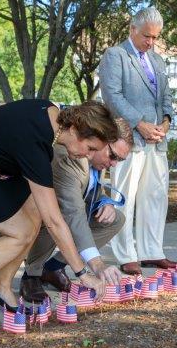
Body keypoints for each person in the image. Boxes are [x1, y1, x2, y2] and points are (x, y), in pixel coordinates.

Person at [0, 99, 118, 322]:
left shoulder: (51, 115)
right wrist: (83, 274)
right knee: (21, 232)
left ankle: (2, 287)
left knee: (35, 208)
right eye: (90, 147)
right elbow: (54, 222)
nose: (89, 155)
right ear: (74, 129)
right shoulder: (36, 140)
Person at [98, 7, 177, 275]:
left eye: (156, 37)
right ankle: (125, 254)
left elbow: (166, 98)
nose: (151, 42)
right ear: (133, 29)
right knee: (126, 196)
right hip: (128, 140)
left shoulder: (157, 61)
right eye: (147, 36)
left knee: (155, 197)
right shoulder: (115, 56)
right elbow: (113, 96)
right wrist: (139, 125)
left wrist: (166, 122)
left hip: (157, 141)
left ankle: (152, 251)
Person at [20, 119, 134, 301]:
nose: (114, 164)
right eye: (113, 156)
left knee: (116, 218)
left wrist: (106, 202)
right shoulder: (70, 158)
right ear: (101, 141)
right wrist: (96, 265)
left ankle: (53, 268)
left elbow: (92, 191)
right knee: (58, 218)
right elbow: (73, 212)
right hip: (25, 210)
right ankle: (32, 274)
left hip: (64, 210)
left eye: (119, 159)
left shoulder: (97, 161)